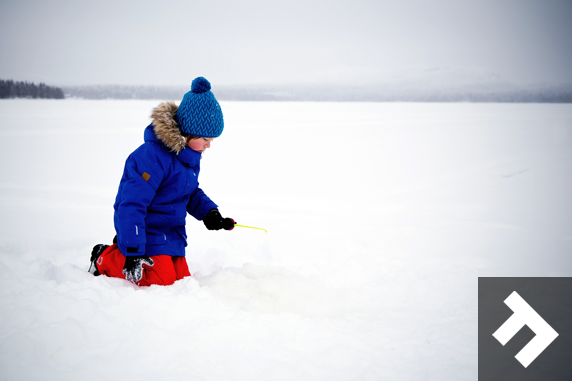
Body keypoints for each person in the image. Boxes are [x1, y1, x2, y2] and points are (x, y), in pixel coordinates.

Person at [88, 77, 235, 286]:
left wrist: (210, 213)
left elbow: (189, 192)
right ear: (188, 132)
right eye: (206, 139)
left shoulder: (189, 158)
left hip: (171, 234)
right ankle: (105, 257)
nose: (209, 145)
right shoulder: (150, 157)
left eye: (211, 141)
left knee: (181, 279)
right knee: (161, 279)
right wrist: (133, 250)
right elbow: (130, 204)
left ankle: (137, 257)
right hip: (145, 234)